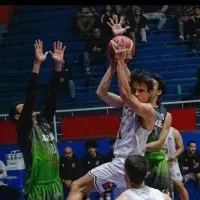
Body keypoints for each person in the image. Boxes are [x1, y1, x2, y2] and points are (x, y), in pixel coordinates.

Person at [66, 20, 156, 200]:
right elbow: (102, 92)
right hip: (122, 164)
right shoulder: (128, 104)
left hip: (126, 164)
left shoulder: (148, 110)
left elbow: (125, 92)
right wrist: (115, 62)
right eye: (136, 90)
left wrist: (121, 60)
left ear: (151, 94)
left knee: (77, 186)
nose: (137, 93)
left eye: (141, 91)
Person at [8, 40, 66, 200]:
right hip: (38, 188)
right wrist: (37, 64)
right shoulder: (23, 131)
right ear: (17, 117)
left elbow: (52, 93)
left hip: (54, 183)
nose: (28, 108)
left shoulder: (44, 121)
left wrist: (58, 66)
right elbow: (31, 95)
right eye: (23, 108)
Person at [145, 73, 172, 192]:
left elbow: (160, 142)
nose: (149, 86)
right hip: (137, 157)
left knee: (163, 194)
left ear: (159, 92)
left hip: (155, 157)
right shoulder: (137, 107)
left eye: (153, 85)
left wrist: (138, 147)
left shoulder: (166, 115)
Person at [163, 127, 189, 200]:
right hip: (160, 163)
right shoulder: (154, 130)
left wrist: (173, 156)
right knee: (163, 187)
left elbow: (181, 147)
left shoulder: (174, 131)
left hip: (172, 163)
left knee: (179, 185)